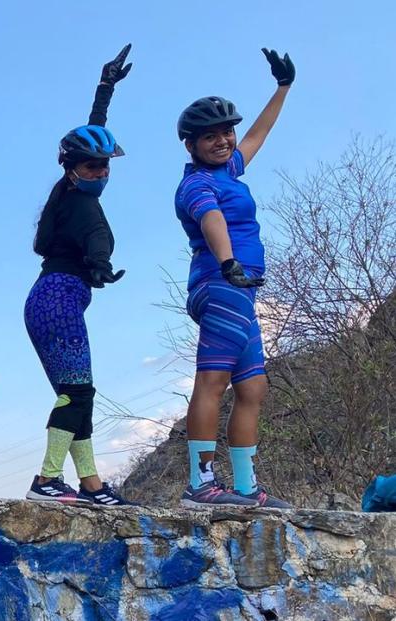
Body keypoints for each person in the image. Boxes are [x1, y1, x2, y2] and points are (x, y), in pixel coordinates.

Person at [174, 49, 296, 509]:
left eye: (226, 132)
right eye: (210, 136)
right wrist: (228, 263)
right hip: (222, 282)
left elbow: (258, 135)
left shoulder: (229, 169)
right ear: (191, 144)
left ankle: (245, 488)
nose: (223, 141)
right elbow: (212, 221)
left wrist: (282, 88)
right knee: (213, 380)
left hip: (241, 287)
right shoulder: (196, 185)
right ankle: (200, 485)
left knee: (254, 387)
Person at [23, 45, 133, 506]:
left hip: (49, 299)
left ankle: (90, 483)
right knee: (77, 391)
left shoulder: (63, 194)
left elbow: (93, 134)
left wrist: (104, 89)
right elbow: (98, 241)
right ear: (72, 169)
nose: (101, 171)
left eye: (106, 165)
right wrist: (101, 265)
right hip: (60, 298)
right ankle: (47, 480)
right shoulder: (82, 204)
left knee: (77, 396)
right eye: (92, 166)